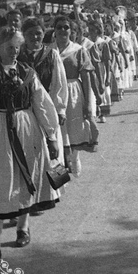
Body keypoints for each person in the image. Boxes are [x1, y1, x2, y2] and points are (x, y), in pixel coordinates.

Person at [0, 26, 61, 262]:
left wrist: (51, 135)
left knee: (26, 177)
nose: (14, 52)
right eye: (9, 47)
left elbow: (42, 102)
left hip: (25, 128)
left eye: (16, 48)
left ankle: (23, 227)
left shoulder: (28, 72)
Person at [52, 16, 96, 176]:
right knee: (55, 132)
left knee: (73, 129)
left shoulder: (78, 50)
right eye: (59, 27)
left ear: (71, 31)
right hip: (53, 94)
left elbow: (86, 78)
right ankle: (59, 174)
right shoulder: (49, 50)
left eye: (66, 27)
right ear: (54, 30)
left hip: (73, 93)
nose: (63, 30)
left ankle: (73, 158)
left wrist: (88, 103)